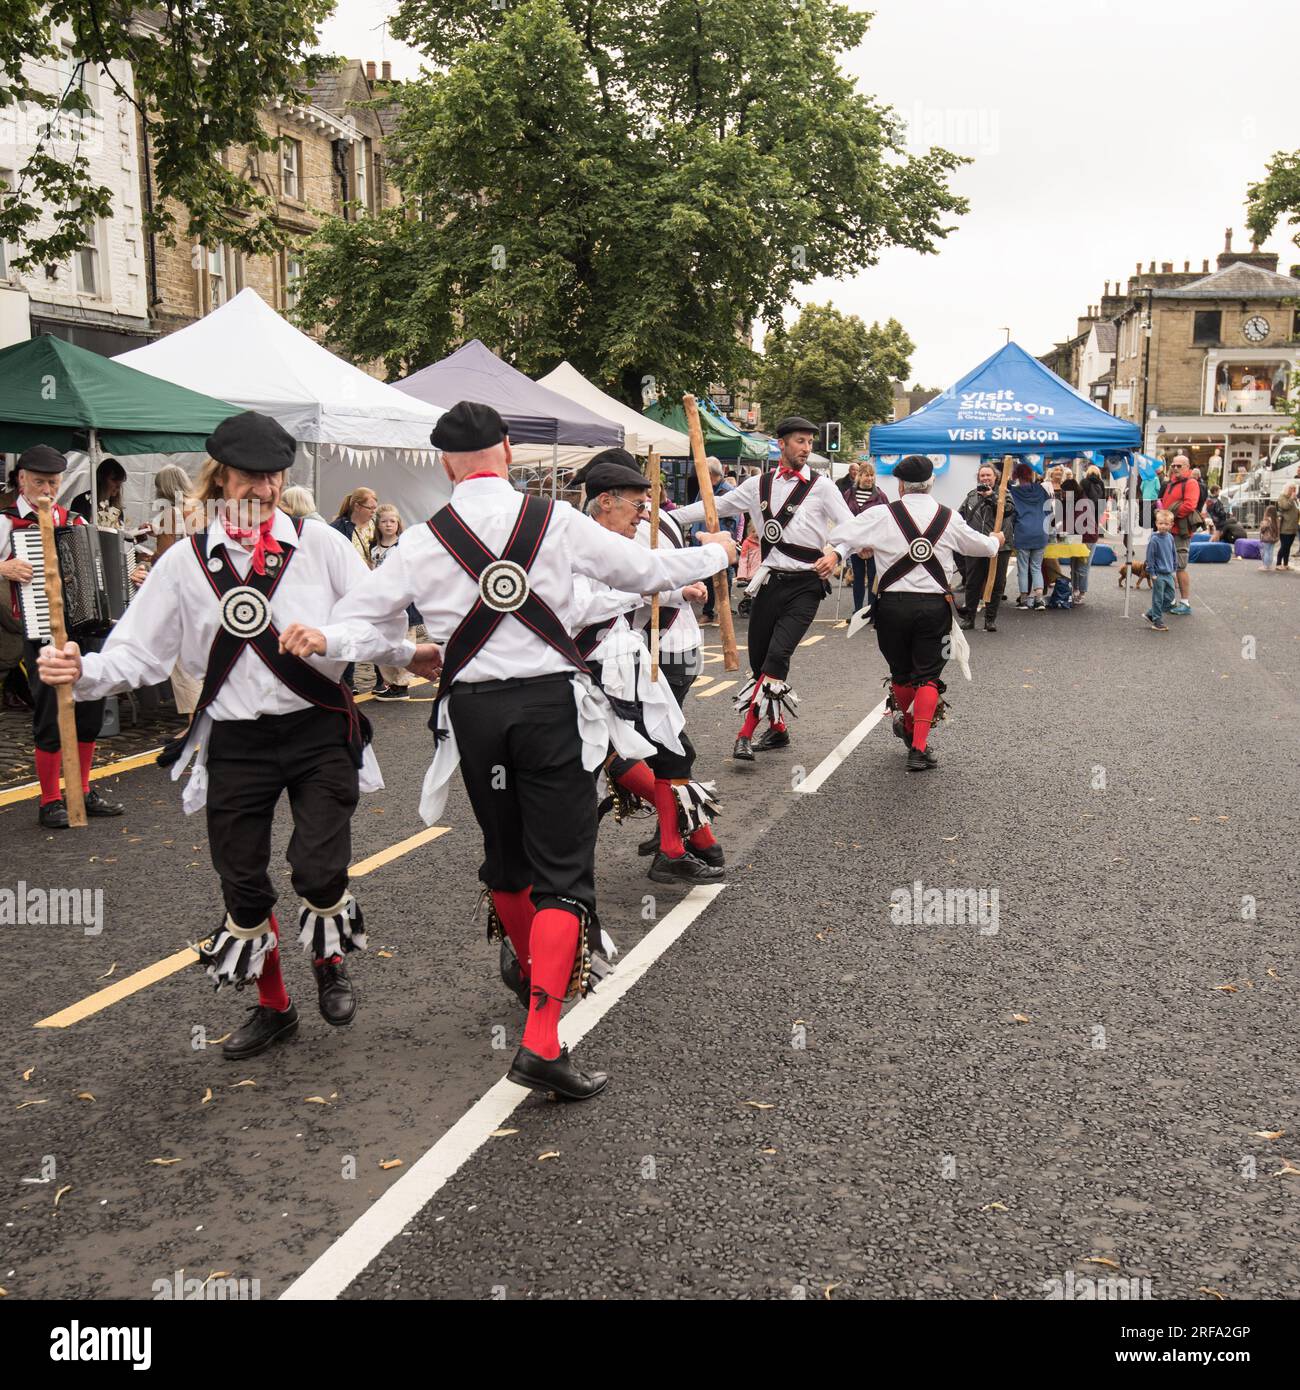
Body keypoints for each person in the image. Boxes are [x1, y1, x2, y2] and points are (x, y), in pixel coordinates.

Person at [296, 401, 736, 1101]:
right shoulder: (556, 520)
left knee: (505, 857)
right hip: (548, 708)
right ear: (505, 448)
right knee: (563, 871)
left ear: (445, 463)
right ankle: (540, 1038)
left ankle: (534, 969)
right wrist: (718, 551)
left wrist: (365, 647)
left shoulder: (420, 541)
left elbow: (353, 621)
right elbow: (646, 573)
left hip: (473, 714)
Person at [37, 412, 402, 1061]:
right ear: (221, 478)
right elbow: (138, 656)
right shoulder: (184, 561)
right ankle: (274, 1007)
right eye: (247, 476)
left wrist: (331, 638)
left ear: (282, 476)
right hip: (234, 740)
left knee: (319, 870)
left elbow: (385, 627)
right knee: (243, 884)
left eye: (271, 476)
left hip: (318, 728)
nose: (260, 488)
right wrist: (80, 669)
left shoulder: (320, 546)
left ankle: (329, 963)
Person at [573, 451, 724, 886]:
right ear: (606, 501)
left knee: (655, 752)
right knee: (641, 756)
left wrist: (708, 559)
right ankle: (554, 878)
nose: (643, 516)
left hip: (621, 665)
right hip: (595, 669)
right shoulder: (575, 544)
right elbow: (577, 607)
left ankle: (673, 849)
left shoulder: (609, 543)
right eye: (638, 505)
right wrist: (634, 594)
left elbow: (655, 572)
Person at [671, 416, 854, 761]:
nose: (807, 447)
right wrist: (667, 516)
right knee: (759, 663)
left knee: (777, 656)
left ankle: (744, 734)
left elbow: (852, 528)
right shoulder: (758, 485)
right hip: (768, 583)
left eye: (810, 442)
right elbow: (717, 507)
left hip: (806, 586)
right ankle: (779, 728)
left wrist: (837, 552)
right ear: (781, 444)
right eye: (800, 441)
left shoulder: (823, 486)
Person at [830, 455, 1000, 771]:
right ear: (931, 483)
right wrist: (996, 539)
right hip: (933, 607)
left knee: (901, 671)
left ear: (900, 485)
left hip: (891, 608)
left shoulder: (881, 514)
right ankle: (917, 746)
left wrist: (862, 546)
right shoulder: (948, 517)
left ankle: (908, 726)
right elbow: (984, 549)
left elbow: (838, 536)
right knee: (928, 677)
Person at [0, 445, 125, 828]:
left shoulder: (72, 520)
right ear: (21, 479)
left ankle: (82, 791)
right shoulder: (7, 523)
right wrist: (4, 566)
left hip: (82, 629)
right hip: (40, 630)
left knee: (88, 707)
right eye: (39, 481)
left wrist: (126, 576)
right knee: (51, 713)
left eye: (53, 482)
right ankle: (50, 799)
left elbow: (101, 568)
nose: (47, 489)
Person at [367, 503, 419, 700]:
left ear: (398, 523)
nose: (389, 525)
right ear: (378, 524)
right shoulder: (374, 547)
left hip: (402, 601)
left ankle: (401, 683)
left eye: (392, 521)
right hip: (381, 601)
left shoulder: (404, 546)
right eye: (384, 521)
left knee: (404, 640)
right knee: (382, 642)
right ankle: (389, 681)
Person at [331, 488, 378, 691]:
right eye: (370, 508)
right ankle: (348, 680)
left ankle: (382, 680)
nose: (373, 512)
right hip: (349, 589)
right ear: (357, 506)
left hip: (373, 587)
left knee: (376, 631)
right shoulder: (339, 528)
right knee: (350, 633)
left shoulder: (376, 526)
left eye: (375, 508)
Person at [957, 463, 1011, 631]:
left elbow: (1008, 510)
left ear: (996, 478)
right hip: (976, 546)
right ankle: (969, 618)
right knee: (973, 583)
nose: (985, 478)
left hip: (999, 546)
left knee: (996, 583)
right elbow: (960, 516)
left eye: (989, 475)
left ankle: (990, 619)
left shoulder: (1004, 495)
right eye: (982, 475)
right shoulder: (972, 496)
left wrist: (992, 497)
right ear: (978, 478)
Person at [694, 457, 737, 624]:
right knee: (707, 578)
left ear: (710, 474)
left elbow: (732, 520)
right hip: (703, 541)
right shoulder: (704, 489)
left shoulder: (727, 491)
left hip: (720, 544)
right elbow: (696, 509)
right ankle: (708, 612)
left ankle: (722, 613)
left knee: (723, 578)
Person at [842, 461, 887, 614]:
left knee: (874, 577)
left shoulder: (880, 495)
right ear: (859, 476)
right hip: (856, 543)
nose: (870, 478)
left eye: (872, 475)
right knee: (858, 577)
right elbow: (844, 517)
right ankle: (858, 611)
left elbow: (886, 519)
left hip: (874, 544)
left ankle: (872, 611)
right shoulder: (849, 494)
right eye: (866, 475)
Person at [1158, 456, 1200, 615]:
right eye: (1173, 465)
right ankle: (1172, 601)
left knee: (1180, 567)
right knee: (1168, 567)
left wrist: (1169, 518)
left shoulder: (1190, 483)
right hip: (1169, 531)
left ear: (1187, 467)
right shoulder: (1172, 483)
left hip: (1180, 532)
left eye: (1179, 465)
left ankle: (1185, 602)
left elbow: (1190, 505)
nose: (1175, 468)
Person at [1008, 463, 1053, 610]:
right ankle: (1039, 599)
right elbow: (1049, 510)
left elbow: (1011, 513)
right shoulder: (1040, 489)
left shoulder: (1014, 492)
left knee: (1022, 568)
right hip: (1040, 532)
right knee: (1036, 567)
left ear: (1016, 475)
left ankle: (1023, 600)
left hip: (1023, 532)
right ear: (1030, 474)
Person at [1069, 464, 1108, 603]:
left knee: (1074, 563)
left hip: (1077, 533)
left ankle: (1074, 590)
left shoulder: (1078, 496)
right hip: (1091, 531)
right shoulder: (1101, 488)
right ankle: (1081, 593)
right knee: (1084, 564)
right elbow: (1102, 509)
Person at [1143, 510, 1177, 631]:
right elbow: (1150, 557)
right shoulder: (1154, 540)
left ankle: (1151, 613)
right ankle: (1157, 620)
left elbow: (1174, 553)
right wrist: (1152, 573)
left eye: (1166, 524)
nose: (1163, 526)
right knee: (1158, 598)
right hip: (1158, 574)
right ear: (1156, 523)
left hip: (1168, 573)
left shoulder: (1170, 537)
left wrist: (1174, 568)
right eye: (1161, 523)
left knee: (1170, 596)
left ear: (1171, 525)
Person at [70, 457, 127, 527]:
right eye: (114, 480)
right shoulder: (81, 502)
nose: (118, 486)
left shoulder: (117, 509)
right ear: (101, 478)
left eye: (120, 481)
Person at [1275, 484, 1298, 569]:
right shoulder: (1282, 497)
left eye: (1295, 489)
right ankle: (1278, 564)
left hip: (1293, 526)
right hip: (1285, 527)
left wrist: (1295, 500)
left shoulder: (1294, 499)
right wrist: (1291, 499)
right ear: (1287, 489)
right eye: (1292, 489)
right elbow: (1285, 506)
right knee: (1284, 546)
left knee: (1288, 547)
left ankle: (1285, 564)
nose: (1293, 491)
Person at [1258, 503, 1279, 572]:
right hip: (1273, 538)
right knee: (1271, 552)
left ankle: (1265, 566)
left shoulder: (1267, 520)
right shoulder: (1276, 520)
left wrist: (1262, 525)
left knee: (1266, 551)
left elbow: (1262, 529)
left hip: (1267, 538)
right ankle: (1269, 565)